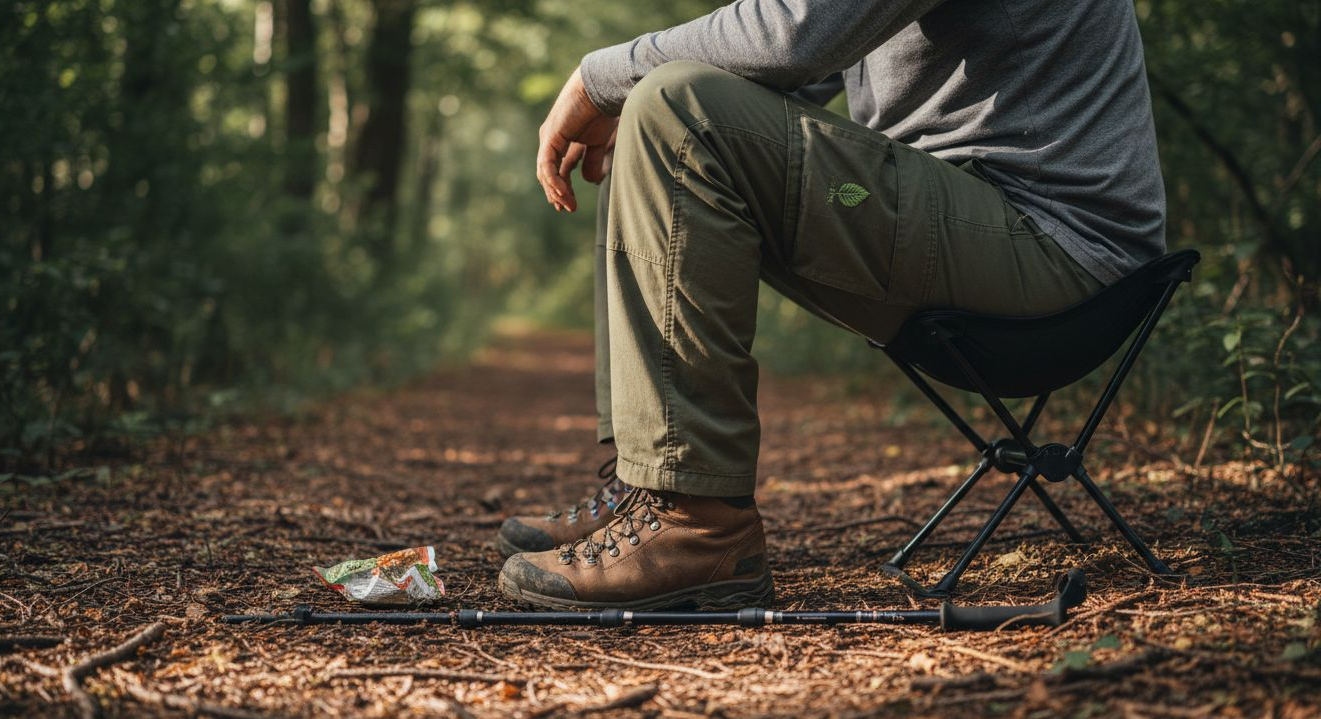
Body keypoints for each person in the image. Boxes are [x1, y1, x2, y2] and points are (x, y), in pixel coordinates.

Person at [495, 0, 1166, 609]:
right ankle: (650, 484)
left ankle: (697, 524)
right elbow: (791, 64)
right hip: (990, 228)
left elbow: (795, 37)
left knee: (675, 108)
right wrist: (624, 96)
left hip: (1055, 250)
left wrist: (595, 77)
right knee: (647, 114)